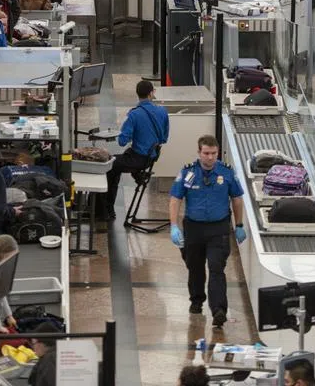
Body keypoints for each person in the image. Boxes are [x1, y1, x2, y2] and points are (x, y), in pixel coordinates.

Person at [168, 135, 246, 329]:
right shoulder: (188, 172)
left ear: (217, 152)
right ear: (199, 152)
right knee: (194, 267)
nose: (210, 157)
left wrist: (239, 225)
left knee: (216, 267)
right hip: (194, 228)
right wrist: (173, 226)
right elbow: (175, 199)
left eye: (213, 153)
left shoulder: (226, 173)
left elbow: (236, 198)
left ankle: (219, 310)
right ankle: (196, 299)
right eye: (206, 153)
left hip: (218, 228)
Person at [105, 79, 169, 218]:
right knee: (120, 161)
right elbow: (164, 138)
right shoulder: (162, 111)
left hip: (138, 159)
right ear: (152, 93)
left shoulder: (134, 115)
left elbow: (122, 141)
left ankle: (106, 210)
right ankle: (138, 175)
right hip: (151, 157)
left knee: (109, 166)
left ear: (137, 94)